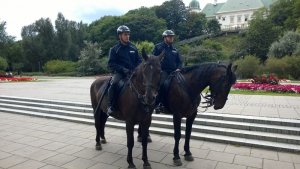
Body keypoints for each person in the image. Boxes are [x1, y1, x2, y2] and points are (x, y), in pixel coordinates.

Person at [106, 25, 142, 116]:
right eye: (125, 34)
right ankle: (111, 106)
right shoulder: (114, 49)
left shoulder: (133, 48)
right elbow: (111, 64)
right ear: (120, 36)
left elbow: (139, 60)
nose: (127, 36)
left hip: (133, 73)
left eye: (128, 34)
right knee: (114, 84)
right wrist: (123, 69)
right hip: (120, 73)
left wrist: (137, 68)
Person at [153, 30, 183, 113]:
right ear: (164, 38)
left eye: (172, 37)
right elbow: (153, 60)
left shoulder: (175, 49)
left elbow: (180, 62)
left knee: (184, 83)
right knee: (163, 84)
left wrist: (179, 68)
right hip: (163, 71)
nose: (171, 38)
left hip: (175, 71)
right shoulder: (158, 47)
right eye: (170, 36)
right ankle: (159, 104)